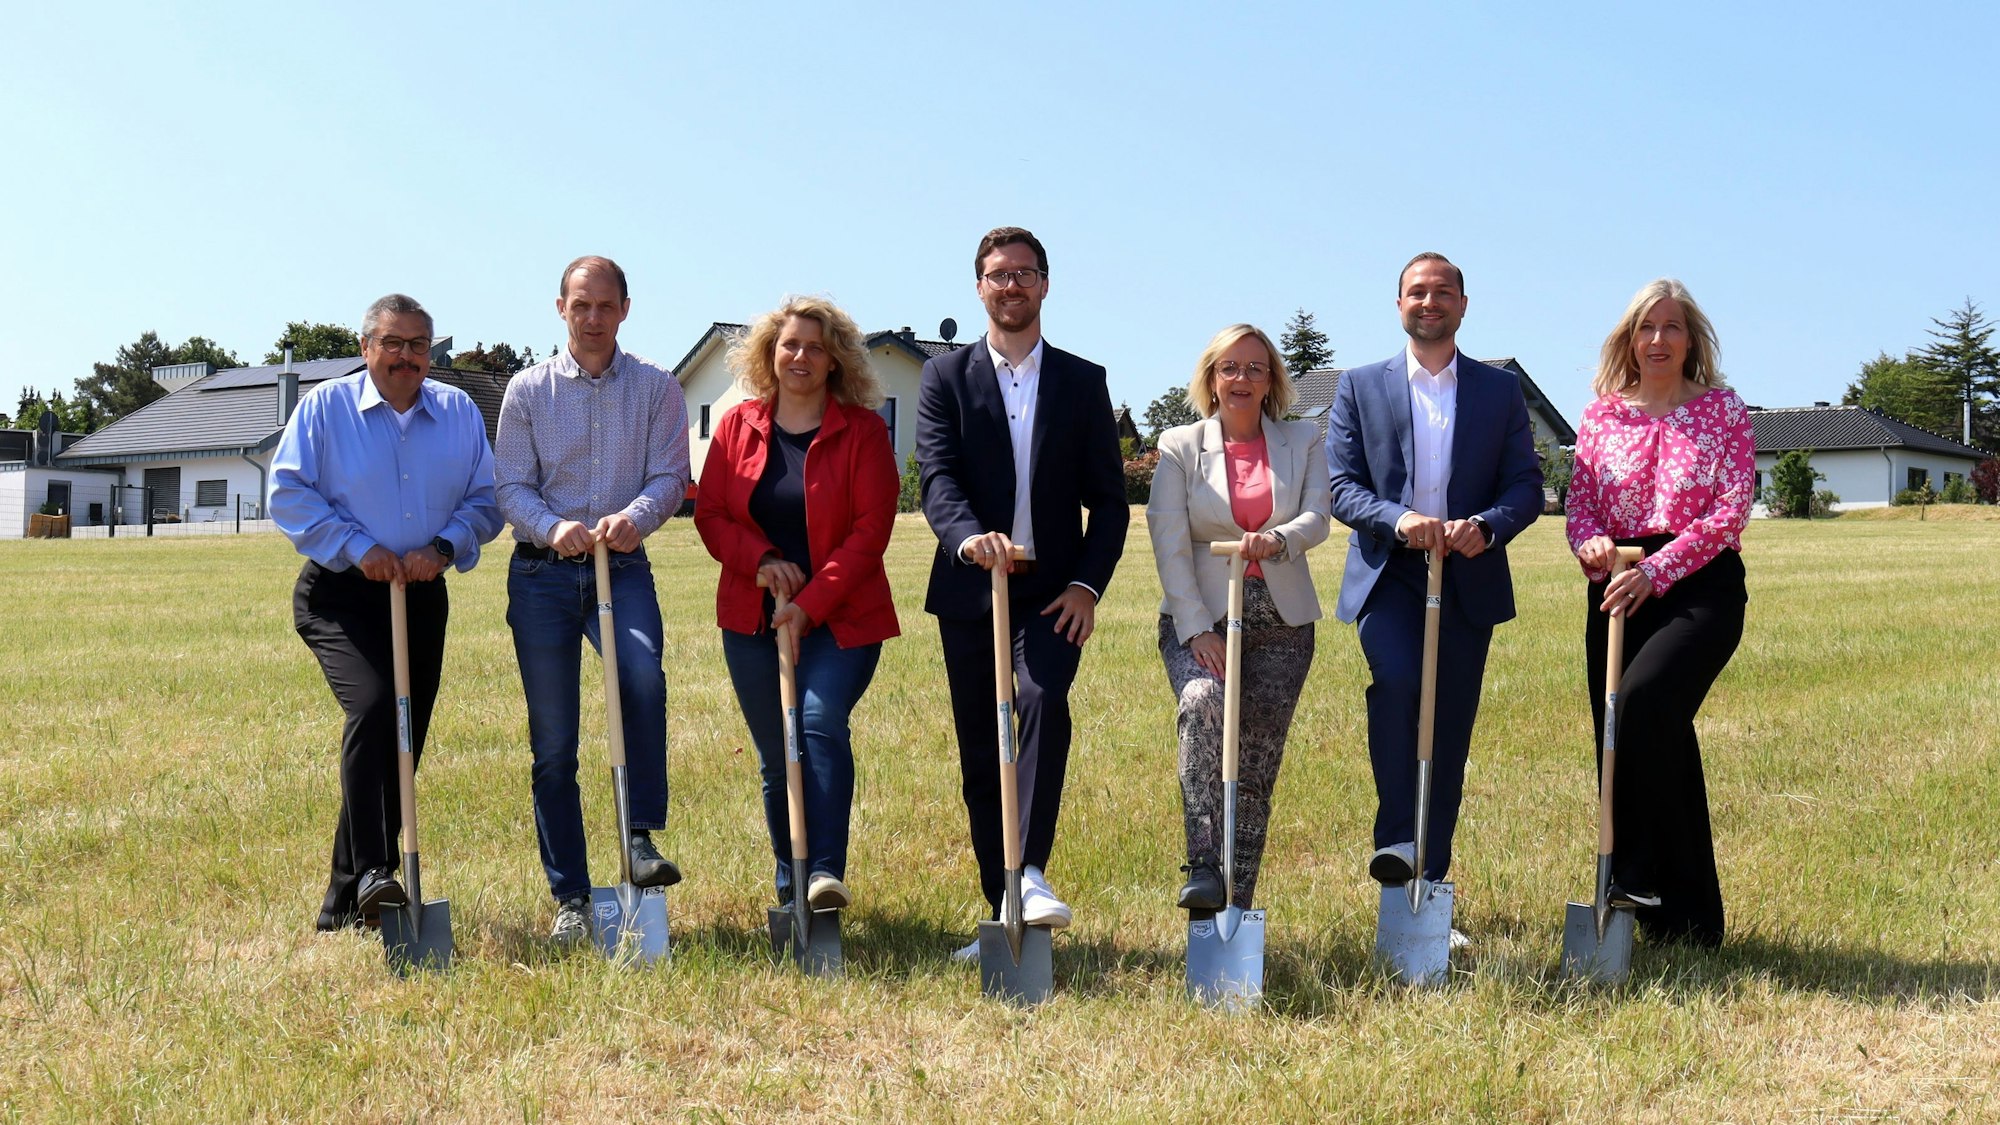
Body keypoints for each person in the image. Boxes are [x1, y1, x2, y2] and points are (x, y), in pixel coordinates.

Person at [916, 226, 1128, 958]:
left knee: (1037, 700)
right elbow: (936, 477)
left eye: (1025, 274)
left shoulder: (1082, 380)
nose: (1011, 286)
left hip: (1050, 595)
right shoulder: (945, 379)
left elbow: (1109, 501)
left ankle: (1029, 870)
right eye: (998, 275)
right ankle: (1002, 902)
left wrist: (1086, 585)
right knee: (982, 745)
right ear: (979, 286)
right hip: (973, 588)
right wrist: (968, 536)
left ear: (1045, 284)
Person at [271, 293, 502, 932]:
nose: (406, 357)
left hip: (421, 593)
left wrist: (445, 546)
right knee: (375, 708)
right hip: (341, 593)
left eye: (419, 346)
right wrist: (358, 547)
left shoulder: (457, 412)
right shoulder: (325, 408)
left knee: (403, 740)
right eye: (393, 344)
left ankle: (347, 902)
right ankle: (377, 868)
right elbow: (288, 494)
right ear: (367, 347)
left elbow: (487, 500)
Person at [1325, 252, 1543, 908]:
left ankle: (1433, 883)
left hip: (1468, 575)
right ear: (1398, 305)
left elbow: (1526, 485)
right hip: (1390, 574)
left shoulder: (1499, 391)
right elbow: (1341, 487)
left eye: (1442, 291)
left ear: (1463, 304)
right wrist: (1398, 519)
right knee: (1396, 685)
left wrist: (1489, 525)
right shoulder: (1359, 386)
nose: (1429, 301)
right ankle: (1397, 843)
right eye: (1416, 292)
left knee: (1448, 727)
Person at [495, 255, 691, 946]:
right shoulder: (526, 391)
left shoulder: (657, 388)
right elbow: (510, 487)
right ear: (561, 309)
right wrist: (555, 526)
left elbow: (671, 474)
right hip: (544, 574)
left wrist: (634, 516)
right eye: (581, 305)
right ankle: (571, 897)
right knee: (555, 745)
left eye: (605, 305)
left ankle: (638, 836)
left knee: (641, 676)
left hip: (624, 567)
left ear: (625, 310)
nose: (593, 318)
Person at [695, 296, 899, 912]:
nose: (801, 356)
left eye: (814, 346)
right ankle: (791, 887)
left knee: (815, 723)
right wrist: (759, 560)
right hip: (752, 619)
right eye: (789, 344)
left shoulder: (863, 431)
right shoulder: (737, 426)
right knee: (776, 755)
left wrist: (809, 604)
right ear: (770, 353)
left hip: (842, 618)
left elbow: (871, 531)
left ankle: (824, 874)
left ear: (834, 359)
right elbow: (711, 514)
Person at [1566, 278, 1752, 948]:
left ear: (1692, 339)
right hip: (1616, 585)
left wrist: (1658, 568)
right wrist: (1590, 546)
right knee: (1637, 738)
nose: (1658, 340)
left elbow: (1730, 511)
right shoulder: (1600, 416)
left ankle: (1633, 870)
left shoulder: (1723, 410)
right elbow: (1580, 502)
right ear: (1629, 340)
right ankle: (1688, 920)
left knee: (1642, 705)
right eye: (1647, 327)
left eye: (1672, 327)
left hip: (1699, 583)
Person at [1147, 324, 1330, 912]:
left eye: (1255, 367)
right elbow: (1168, 538)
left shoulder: (1301, 439)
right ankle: (1203, 863)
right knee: (1202, 703)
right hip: (1202, 615)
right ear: (1211, 379)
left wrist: (1276, 540)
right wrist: (1196, 627)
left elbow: (1318, 516)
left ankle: (1238, 903)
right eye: (1229, 367)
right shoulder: (1180, 444)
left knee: (1252, 765)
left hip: (1282, 620)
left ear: (1272, 379)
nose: (1242, 378)